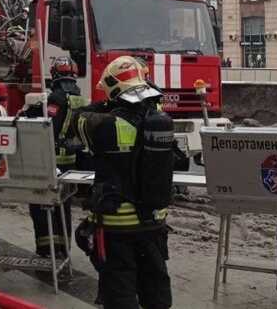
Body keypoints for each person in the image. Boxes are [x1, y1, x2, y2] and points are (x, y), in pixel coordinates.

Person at [74, 56, 175, 309]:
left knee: (119, 287)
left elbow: (78, 117)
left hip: (117, 224)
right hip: (153, 221)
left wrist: (108, 104)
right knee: (155, 281)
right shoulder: (159, 118)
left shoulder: (103, 124)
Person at [22, 57, 88, 258]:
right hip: (69, 161)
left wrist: (31, 114)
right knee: (63, 206)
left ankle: (46, 249)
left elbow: (48, 125)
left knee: (41, 205)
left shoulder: (56, 98)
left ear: (55, 74)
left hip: (50, 159)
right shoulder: (80, 98)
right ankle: (63, 248)